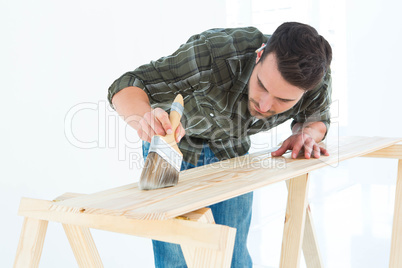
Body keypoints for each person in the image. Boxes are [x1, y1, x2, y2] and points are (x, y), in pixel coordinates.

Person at [108, 22, 332, 268]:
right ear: (259, 55)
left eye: (283, 99)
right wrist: (145, 117)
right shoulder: (210, 55)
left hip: (231, 149)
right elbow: (126, 84)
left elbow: (316, 118)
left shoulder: (315, 76)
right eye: (262, 86)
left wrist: (306, 134)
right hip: (174, 148)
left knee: (233, 256)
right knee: (176, 258)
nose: (265, 106)